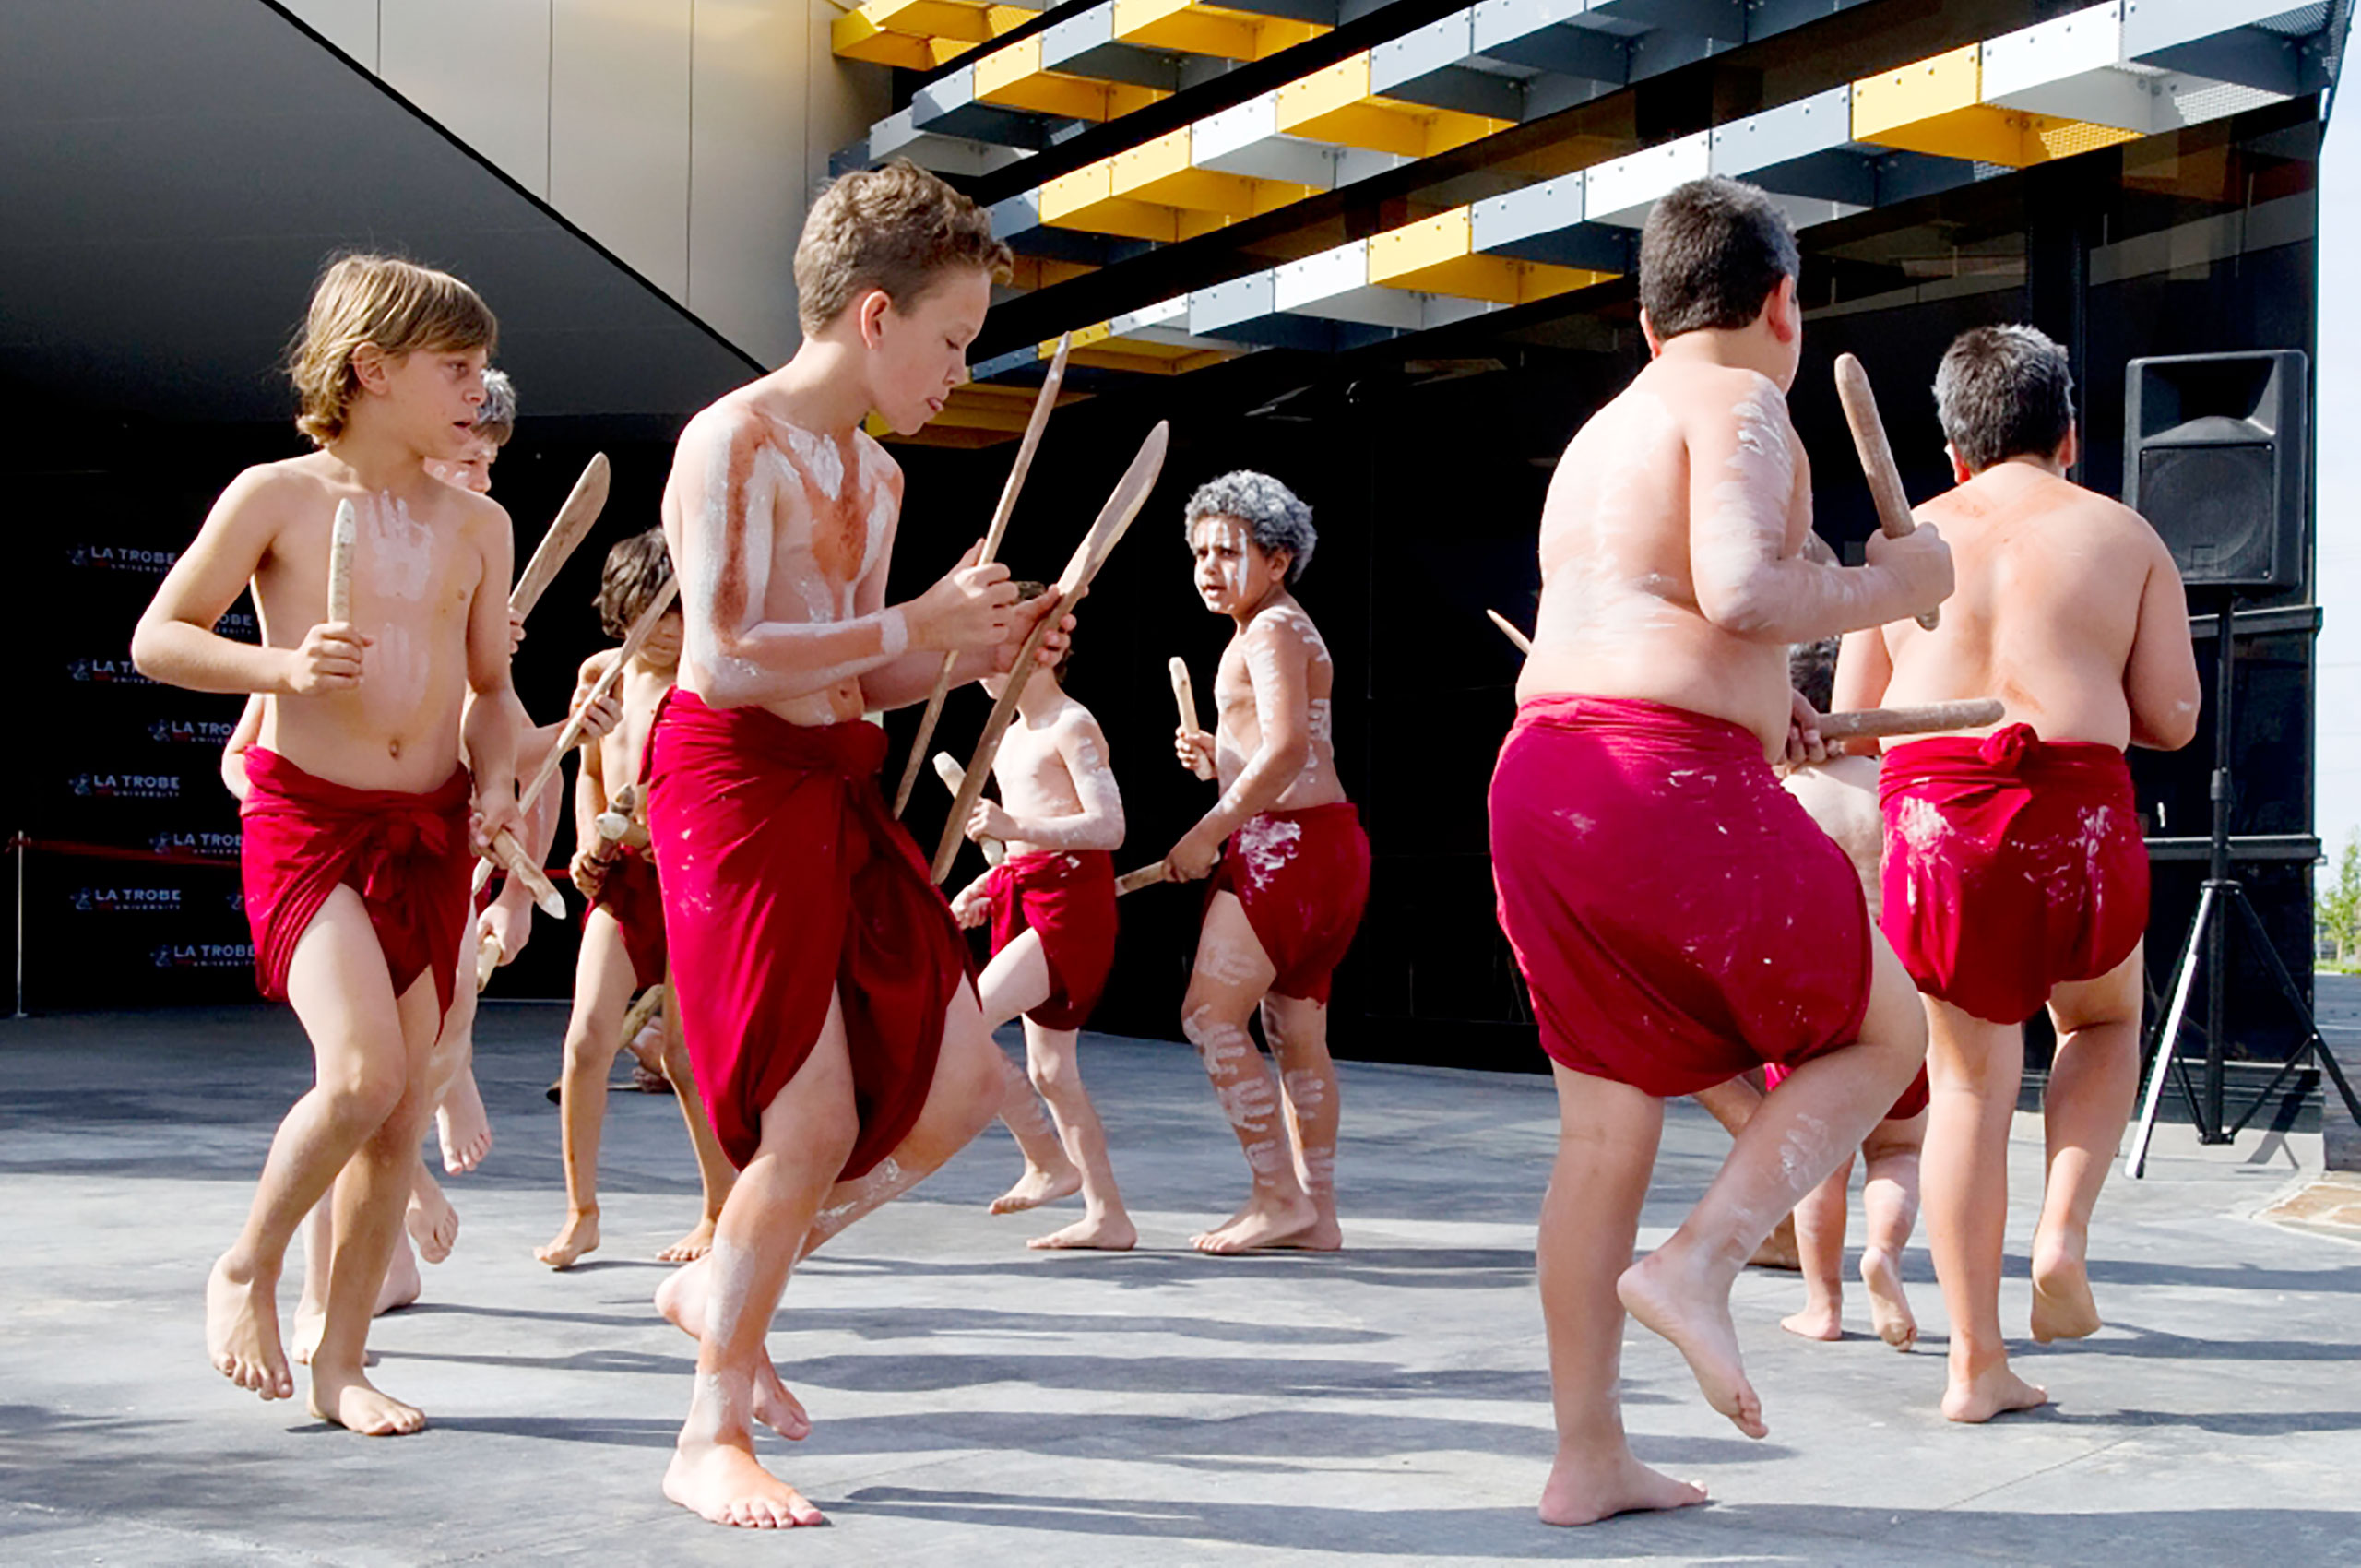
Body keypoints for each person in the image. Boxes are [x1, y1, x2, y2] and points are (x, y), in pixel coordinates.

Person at [1487, 175, 1951, 1523]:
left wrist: (1765, 705)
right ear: (1782, 303)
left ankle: (1587, 1455)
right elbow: (1745, 588)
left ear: (1647, 324)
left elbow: (1651, 615)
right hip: (1658, 775)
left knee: (1602, 1133)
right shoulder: (1741, 397)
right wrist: (1895, 586)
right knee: (1887, 1030)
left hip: (1545, 781)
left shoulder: (1604, 430)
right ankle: (1704, 1259)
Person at [639, 160, 1072, 1528]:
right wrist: (917, 625)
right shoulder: (732, 438)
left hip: (834, 776)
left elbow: (863, 676)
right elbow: (723, 658)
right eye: (951, 338)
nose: (959, 371)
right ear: (876, 316)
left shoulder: (876, 478)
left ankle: (730, 1278)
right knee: (811, 1113)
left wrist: (980, 645)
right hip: (730, 782)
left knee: (962, 1088)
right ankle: (707, 1430)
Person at [132, 254, 523, 1435]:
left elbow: (492, 690)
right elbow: (160, 637)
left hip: (429, 826)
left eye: (480, 365)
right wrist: (283, 667)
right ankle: (246, 1263)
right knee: (360, 1074)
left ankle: (342, 1361)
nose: (478, 387)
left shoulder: (481, 521)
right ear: (372, 370)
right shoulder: (277, 494)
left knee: (397, 1115)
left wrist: (500, 779)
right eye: (455, 366)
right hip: (307, 820)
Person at [1833, 323, 2199, 1421]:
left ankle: (1973, 1363)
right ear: (2069, 435)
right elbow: (2173, 715)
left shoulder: (1904, 540)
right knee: (2101, 1019)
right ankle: (2061, 1234)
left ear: (1951, 450)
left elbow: (1854, 718)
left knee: (1965, 1086)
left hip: (1937, 816)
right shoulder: (2122, 532)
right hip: (2075, 806)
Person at [1163, 472, 1368, 1255]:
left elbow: (1285, 752)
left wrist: (1206, 830)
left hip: (1288, 845)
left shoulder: (1272, 628)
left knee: (1209, 1016)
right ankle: (1316, 1212)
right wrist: (1219, 756)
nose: (1209, 569)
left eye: (1228, 552)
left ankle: (1277, 1196)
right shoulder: (1274, 626)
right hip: (1318, 842)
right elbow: (1285, 747)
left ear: (1278, 560)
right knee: (1295, 1033)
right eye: (1200, 554)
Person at [538, 528, 735, 1268]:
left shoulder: (710, 676)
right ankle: (581, 1213)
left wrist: (677, 836)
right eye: (654, 613)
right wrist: (588, 842)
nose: (670, 630)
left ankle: (720, 1206)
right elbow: (591, 771)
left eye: (681, 612)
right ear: (623, 610)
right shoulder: (603, 672)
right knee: (586, 1041)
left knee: (682, 1054)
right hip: (621, 874)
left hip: (691, 874)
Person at [948, 588, 1133, 1250]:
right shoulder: (1009, 736)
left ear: (1041, 648)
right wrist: (984, 885)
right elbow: (1020, 848)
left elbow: (1109, 827)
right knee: (1052, 1072)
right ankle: (1108, 1216)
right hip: (1027, 893)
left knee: (964, 1024)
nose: (981, 660)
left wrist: (1012, 826)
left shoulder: (1071, 724)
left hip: (1070, 905)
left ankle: (1046, 1161)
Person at [1773, 639, 1926, 1350]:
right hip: (1898, 992)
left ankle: (1822, 1305)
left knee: (1819, 1162)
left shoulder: (1784, 794)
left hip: (1815, 996)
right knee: (1898, 1152)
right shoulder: (1893, 786)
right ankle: (1883, 1255)